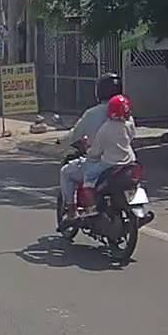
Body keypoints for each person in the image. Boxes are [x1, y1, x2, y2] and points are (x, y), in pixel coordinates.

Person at [59, 73, 122, 223]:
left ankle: (72, 211)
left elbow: (75, 135)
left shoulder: (92, 114)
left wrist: (61, 141)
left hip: (101, 162)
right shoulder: (125, 114)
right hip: (125, 161)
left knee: (66, 172)